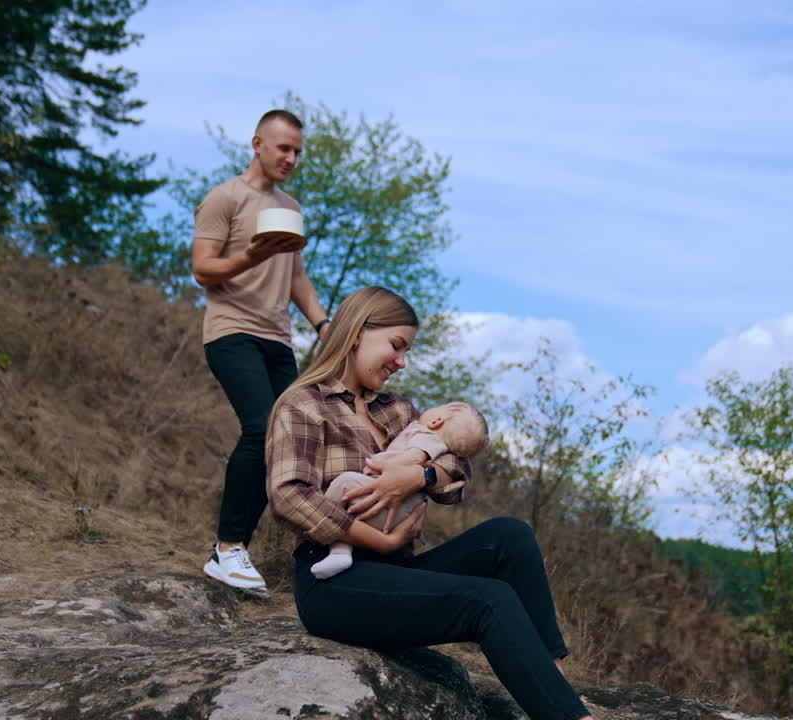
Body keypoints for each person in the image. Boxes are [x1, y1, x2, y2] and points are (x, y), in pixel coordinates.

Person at [266, 285, 594, 720]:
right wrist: (377, 541)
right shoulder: (304, 405)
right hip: (333, 582)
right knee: (487, 600)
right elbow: (289, 496)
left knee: (510, 536)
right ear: (359, 331)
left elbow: (457, 473)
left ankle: (551, 678)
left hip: (398, 573)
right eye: (397, 346)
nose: (402, 362)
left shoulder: (398, 411)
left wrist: (417, 474)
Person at [192, 109, 331, 598]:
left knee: (291, 442)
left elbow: (295, 276)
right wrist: (250, 257)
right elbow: (203, 269)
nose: (291, 158)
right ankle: (229, 549)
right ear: (257, 143)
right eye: (283, 149)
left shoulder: (288, 207)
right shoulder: (225, 197)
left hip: (277, 339)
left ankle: (307, 546)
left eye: (298, 151)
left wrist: (324, 324)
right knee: (261, 427)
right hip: (231, 332)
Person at [309, 401, 489, 579]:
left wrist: (381, 465)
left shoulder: (425, 436)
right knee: (349, 512)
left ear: (437, 421)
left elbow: (414, 457)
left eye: (436, 408)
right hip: (402, 516)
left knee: (344, 483)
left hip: (389, 506)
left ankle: (327, 540)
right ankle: (340, 553)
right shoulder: (440, 449)